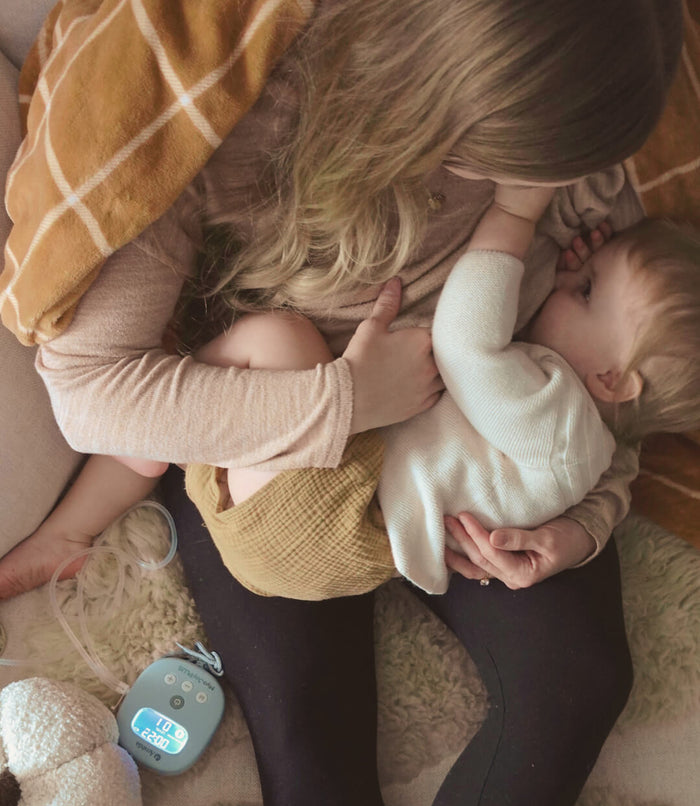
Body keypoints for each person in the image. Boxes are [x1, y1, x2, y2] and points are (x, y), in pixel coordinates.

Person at [0, 0, 685, 806]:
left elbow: (616, 390)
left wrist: (578, 527)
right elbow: (94, 394)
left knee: (578, 680)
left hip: (475, 462)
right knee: (312, 751)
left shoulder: (580, 118)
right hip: (284, 435)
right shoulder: (231, 106)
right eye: (524, 162)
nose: (543, 182)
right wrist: (343, 400)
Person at [7, 191, 700, 605]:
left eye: (586, 289)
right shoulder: (597, 450)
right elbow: (615, 484)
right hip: (332, 548)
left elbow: (466, 342)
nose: (569, 270)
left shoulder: (554, 411)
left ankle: (154, 423)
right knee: (271, 385)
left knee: (284, 346)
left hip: (323, 507)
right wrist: (578, 536)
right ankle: (73, 528)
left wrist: (516, 214)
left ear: (613, 379)